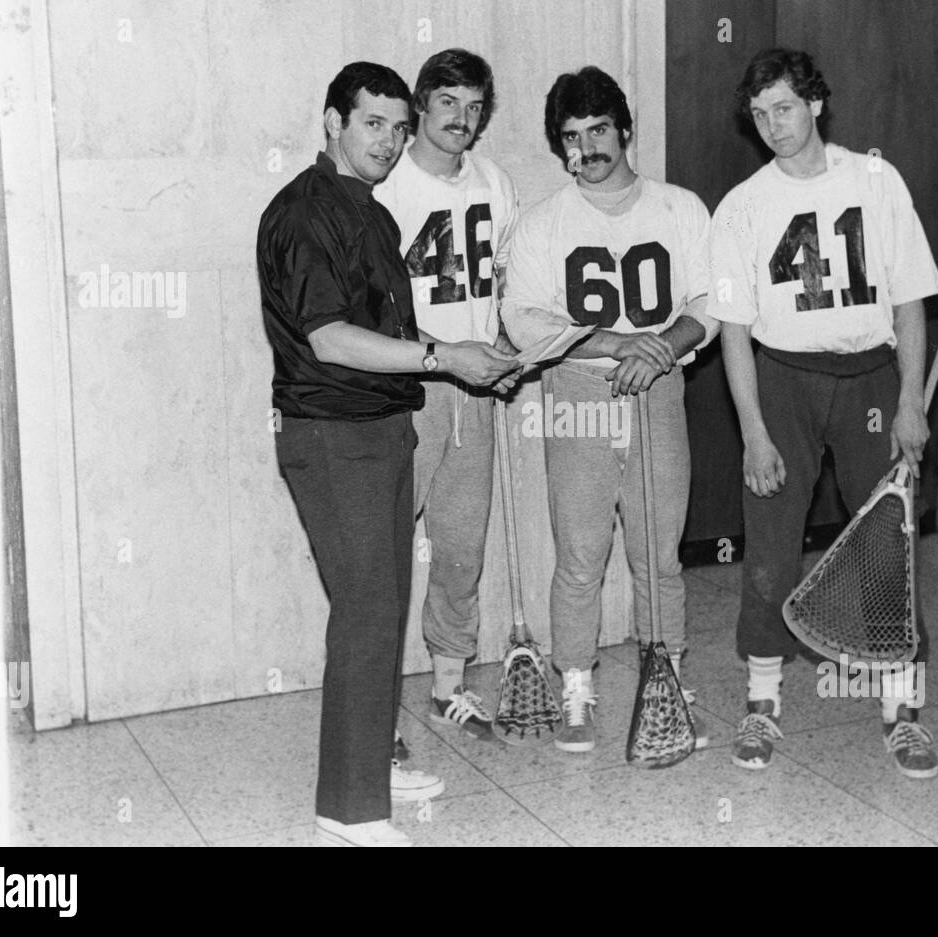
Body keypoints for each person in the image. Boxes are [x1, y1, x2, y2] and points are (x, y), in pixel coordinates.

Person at [257, 62, 519, 847]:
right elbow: (330, 337)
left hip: (382, 428)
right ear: (333, 121)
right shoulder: (304, 213)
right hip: (333, 436)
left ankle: (370, 759)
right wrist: (446, 358)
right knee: (369, 611)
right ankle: (348, 807)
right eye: (373, 123)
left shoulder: (368, 212)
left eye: (398, 127)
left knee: (380, 607)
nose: (388, 140)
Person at [709, 48, 938, 777]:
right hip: (783, 381)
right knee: (773, 542)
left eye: (784, 107)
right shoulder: (743, 204)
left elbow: (908, 298)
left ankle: (902, 710)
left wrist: (909, 401)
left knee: (887, 540)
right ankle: (762, 701)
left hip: (871, 377)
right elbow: (734, 332)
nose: (773, 125)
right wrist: (752, 432)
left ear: (815, 102)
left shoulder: (875, 179)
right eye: (759, 114)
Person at [501, 66, 717, 753]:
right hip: (579, 392)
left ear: (625, 129)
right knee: (581, 549)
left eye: (598, 130)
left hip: (658, 390)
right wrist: (621, 340)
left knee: (658, 550)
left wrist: (662, 348)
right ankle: (576, 685)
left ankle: (669, 677)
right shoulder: (543, 223)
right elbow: (526, 323)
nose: (587, 148)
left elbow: (711, 302)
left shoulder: (681, 208)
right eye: (571, 136)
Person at [374, 49, 519, 741]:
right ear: (422, 106)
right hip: (410, 390)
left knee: (461, 546)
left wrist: (508, 346)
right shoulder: (389, 182)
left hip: (478, 393)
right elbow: (371, 303)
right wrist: (444, 354)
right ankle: (371, 707)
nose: (462, 119)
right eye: (448, 104)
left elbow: (510, 280)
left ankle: (448, 685)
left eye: (474, 107)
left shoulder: (494, 181)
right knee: (383, 548)